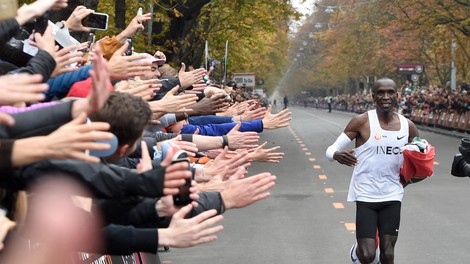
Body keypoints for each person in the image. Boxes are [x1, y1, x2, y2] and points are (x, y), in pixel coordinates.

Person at [325, 78, 420, 264]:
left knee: (388, 252)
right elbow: (330, 150)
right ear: (373, 97)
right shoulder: (361, 122)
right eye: (381, 93)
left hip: (392, 195)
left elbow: (421, 158)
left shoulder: (408, 126)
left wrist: (407, 179)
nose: (386, 97)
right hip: (365, 195)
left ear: (397, 96)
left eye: (390, 92)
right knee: (368, 256)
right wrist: (337, 155)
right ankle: (356, 251)